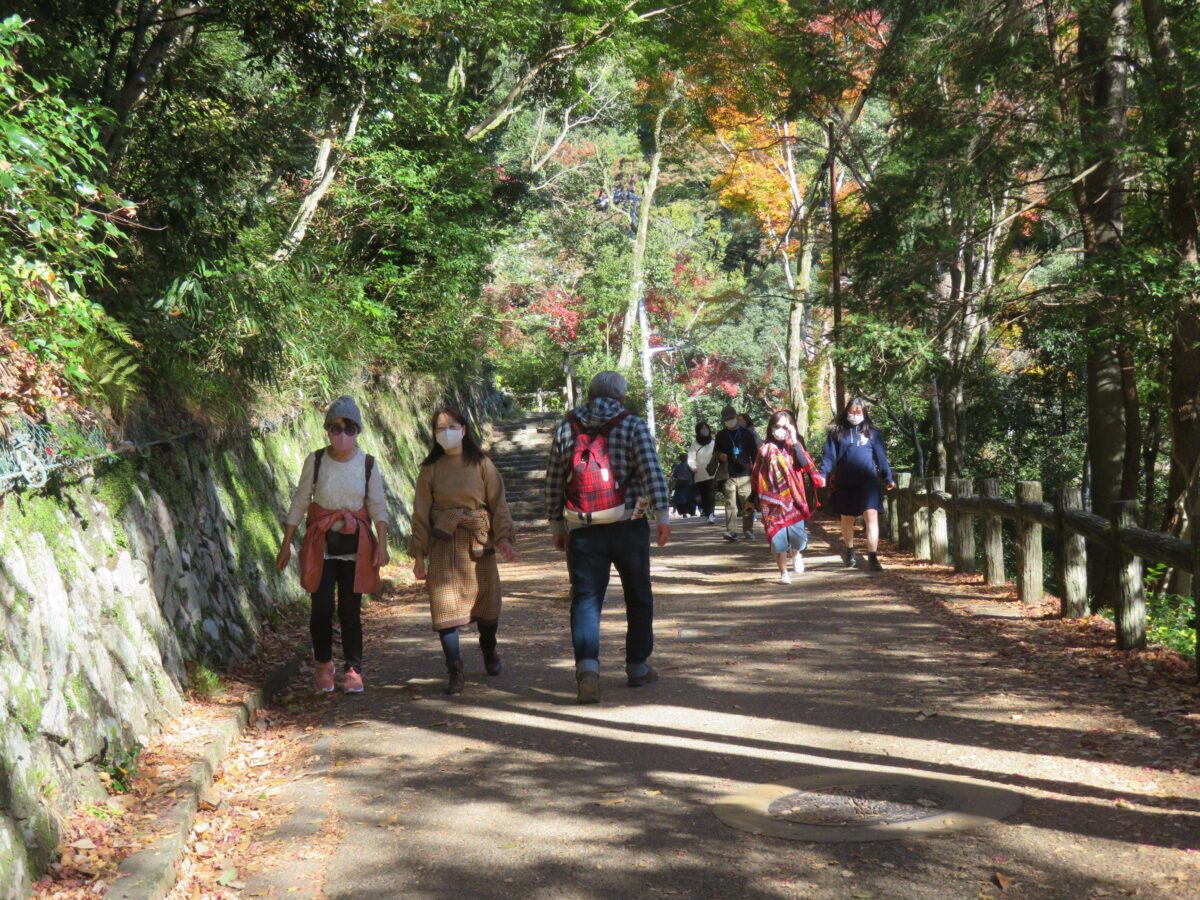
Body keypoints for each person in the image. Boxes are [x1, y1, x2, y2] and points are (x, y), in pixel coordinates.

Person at [545, 371, 671, 704]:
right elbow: (652, 471)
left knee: (586, 599)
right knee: (638, 596)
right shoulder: (632, 424)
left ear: (589, 395)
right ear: (621, 396)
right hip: (629, 523)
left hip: (583, 528)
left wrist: (557, 525)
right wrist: (662, 516)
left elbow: (554, 479)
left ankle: (587, 671)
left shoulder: (566, 427)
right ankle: (637, 666)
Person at [278, 396, 389, 694]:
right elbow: (300, 501)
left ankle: (354, 668)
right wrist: (286, 543)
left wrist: (382, 544)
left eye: (349, 428)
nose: (342, 435)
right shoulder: (316, 461)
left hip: (356, 546)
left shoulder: (367, 464)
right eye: (335, 428)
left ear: (358, 431)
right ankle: (324, 664)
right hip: (321, 544)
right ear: (327, 430)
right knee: (322, 606)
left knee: (350, 610)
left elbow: (377, 505)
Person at [410, 408, 516, 694]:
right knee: (444, 608)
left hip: (478, 543)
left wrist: (504, 538)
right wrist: (418, 555)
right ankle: (454, 668)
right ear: (434, 434)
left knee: (489, 608)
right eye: (440, 429)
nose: (446, 433)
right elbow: (420, 513)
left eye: (452, 427)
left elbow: (498, 503)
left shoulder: (482, 464)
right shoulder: (429, 469)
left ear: (464, 430)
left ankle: (489, 648)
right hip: (443, 543)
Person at [819, 397, 895, 571]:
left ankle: (873, 556)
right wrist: (823, 474)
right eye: (852, 411)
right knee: (847, 518)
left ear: (864, 413)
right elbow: (829, 456)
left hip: (869, 482)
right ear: (846, 412)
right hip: (845, 482)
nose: (855, 415)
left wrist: (888, 477)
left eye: (858, 412)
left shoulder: (873, 433)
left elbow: (881, 456)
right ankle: (850, 550)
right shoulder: (837, 433)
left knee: (871, 516)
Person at [751, 411, 824, 584]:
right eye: (777, 426)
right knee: (778, 540)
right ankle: (784, 572)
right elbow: (757, 475)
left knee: (798, 539)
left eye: (784, 426)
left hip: (794, 500)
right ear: (771, 428)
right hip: (772, 502)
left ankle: (796, 553)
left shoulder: (795, 447)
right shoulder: (764, 450)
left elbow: (805, 464)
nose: (780, 430)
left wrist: (795, 439)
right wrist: (754, 498)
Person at [713, 404, 758, 542]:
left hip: (745, 473)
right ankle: (731, 531)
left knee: (747, 502)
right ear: (723, 420)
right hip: (728, 473)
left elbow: (755, 454)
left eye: (731, 418)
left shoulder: (747, 434)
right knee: (730, 503)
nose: (729, 421)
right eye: (726, 419)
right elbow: (715, 453)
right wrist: (720, 456)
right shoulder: (721, 435)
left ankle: (748, 529)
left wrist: (756, 471)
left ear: (736, 417)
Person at [688, 422, 718, 523]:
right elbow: (691, 458)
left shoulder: (714, 443)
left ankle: (711, 514)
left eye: (706, 428)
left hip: (712, 473)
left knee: (710, 493)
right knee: (704, 495)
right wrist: (693, 467)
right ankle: (707, 513)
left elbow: (717, 456)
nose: (705, 430)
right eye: (702, 428)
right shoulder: (694, 444)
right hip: (699, 474)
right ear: (698, 431)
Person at [670, 454, 694, 518]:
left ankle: (684, 513)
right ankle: (691, 512)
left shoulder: (677, 467)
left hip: (680, 485)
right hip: (689, 485)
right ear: (687, 458)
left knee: (681, 499)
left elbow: (675, 476)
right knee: (689, 498)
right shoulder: (690, 466)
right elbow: (693, 474)